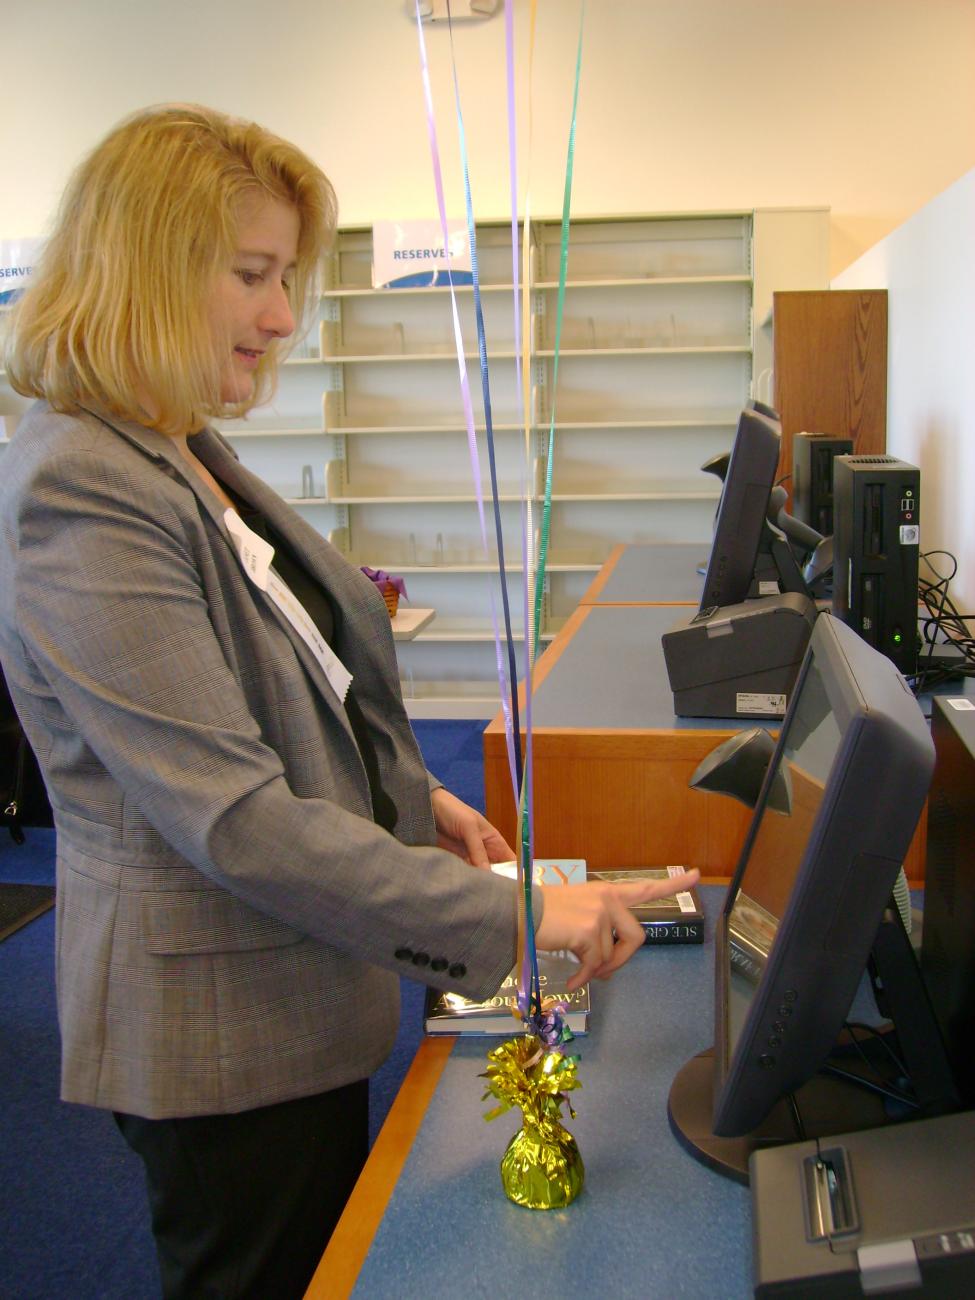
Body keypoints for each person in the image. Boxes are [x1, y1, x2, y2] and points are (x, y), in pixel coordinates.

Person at [0, 104, 700, 1299]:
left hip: (293, 978)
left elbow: (279, 677)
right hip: (217, 1027)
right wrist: (521, 917)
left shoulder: (173, 444)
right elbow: (234, 817)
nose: (282, 315)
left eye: (290, 278)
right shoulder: (82, 485)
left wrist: (407, 792)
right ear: (147, 273)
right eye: (252, 275)